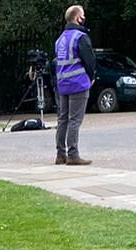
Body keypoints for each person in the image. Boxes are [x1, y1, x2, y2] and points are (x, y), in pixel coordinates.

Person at [54, 5, 97, 166]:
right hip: (78, 83)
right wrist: (91, 77)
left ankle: (60, 154)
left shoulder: (60, 39)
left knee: (63, 119)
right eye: (83, 15)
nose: (84, 18)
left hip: (63, 84)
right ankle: (73, 154)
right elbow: (89, 60)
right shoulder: (80, 37)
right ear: (78, 18)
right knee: (74, 120)